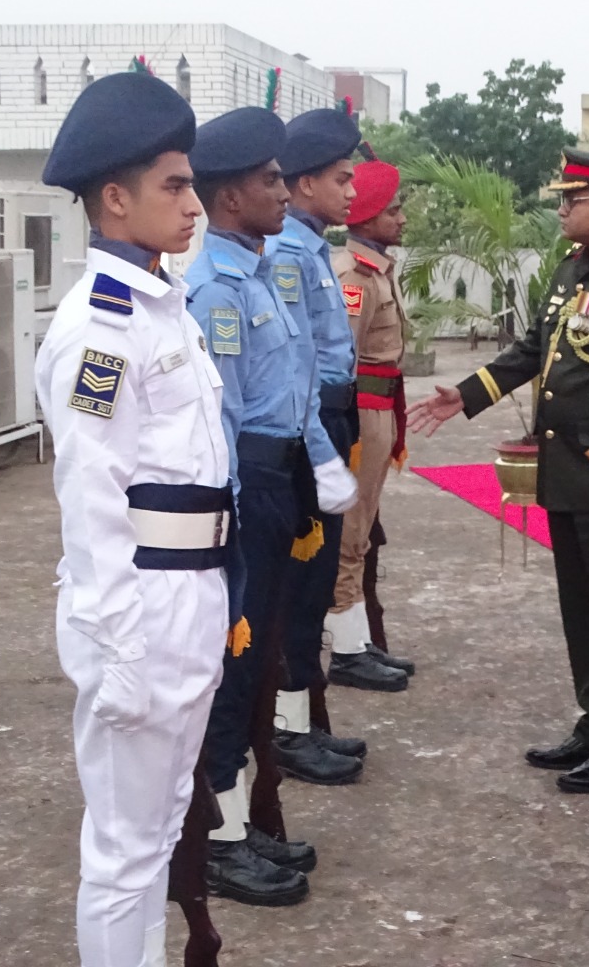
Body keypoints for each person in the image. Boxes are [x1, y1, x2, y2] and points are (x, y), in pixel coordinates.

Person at [408, 149, 589, 794]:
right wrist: (467, 394)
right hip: (567, 469)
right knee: (583, 611)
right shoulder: (573, 270)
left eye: (573, 199)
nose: (561, 209)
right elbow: (535, 349)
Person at [36, 70, 232, 967]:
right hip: (140, 605)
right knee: (123, 850)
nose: (194, 204)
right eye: (175, 186)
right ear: (115, 199)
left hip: (189, 592)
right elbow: (92, 493)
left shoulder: (161, 307)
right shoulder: (103, 329)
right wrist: (116, 646)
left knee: (162, 826)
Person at [183, 107, 361, 910]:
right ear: (230, 198)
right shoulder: (215, 293)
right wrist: (228, 524)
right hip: (246, 488)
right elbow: (218, 419)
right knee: (235, 661)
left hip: (279, 474)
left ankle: (236, 817)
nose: (283, 193)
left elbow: (296, 391)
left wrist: (321, 463)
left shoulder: (257, 274)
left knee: (256, 661)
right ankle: (217, 839)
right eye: (269, 181)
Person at [269, 108, 369, 765]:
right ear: (304, 184)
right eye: (341, 178)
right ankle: (287, 729)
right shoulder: (287, 253)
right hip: (308, 426)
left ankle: (304, 717)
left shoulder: (310, 247)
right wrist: (318, 448)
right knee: (301, 585)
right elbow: (294, 362)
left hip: (332, 417)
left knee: (318, 577)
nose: (353, 192)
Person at [326, 154, 418, 687]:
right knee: (350, 532)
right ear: (367, 216)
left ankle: (358, 640)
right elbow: (344, 361)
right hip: (362, 413)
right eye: (393, 210)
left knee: (361, 534)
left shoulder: (377, 268)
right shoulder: (353, 277)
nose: (402, 219)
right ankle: (345, 650)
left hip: (381, 410)